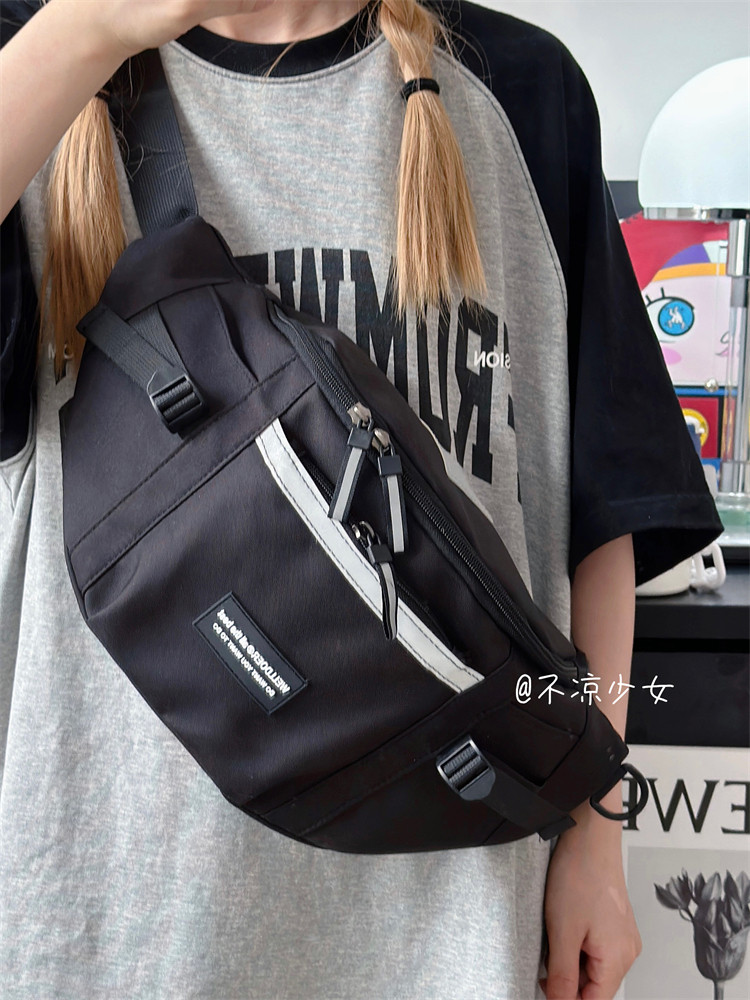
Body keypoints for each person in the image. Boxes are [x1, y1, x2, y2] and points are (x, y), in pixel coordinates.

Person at [0, 1, 724, 998]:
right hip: (120, 915)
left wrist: (597, 835)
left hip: (448, 916)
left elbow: (597, 506)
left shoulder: (515, 84)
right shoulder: (39, 61)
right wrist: (91, 29)